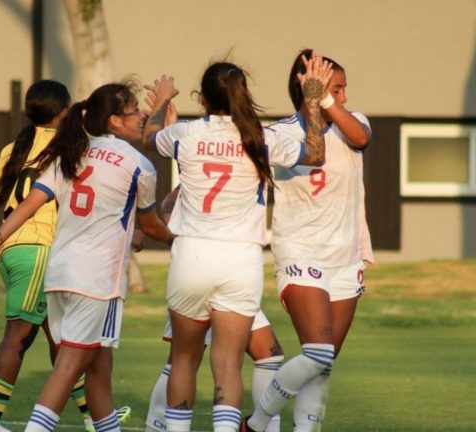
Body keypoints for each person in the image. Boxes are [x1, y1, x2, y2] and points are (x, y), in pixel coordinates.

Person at [0, 80, 175, 432]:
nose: (140, 116)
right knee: (68, 368)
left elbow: (27, 206)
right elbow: (153, 226)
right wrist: (184, 236)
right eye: (133, 111)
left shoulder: (71, 153)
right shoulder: (139, 165)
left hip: (59, 275)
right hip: (97, 282)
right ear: (113, 120)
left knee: (98, 366)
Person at [143, 57, 332, 432]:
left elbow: (148, 138)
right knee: (228, 364)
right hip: (240, 260)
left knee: (183, 359)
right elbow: (316, 153)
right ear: (244, 94)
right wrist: (312, 99)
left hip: (193, 255)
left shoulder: (185, 134)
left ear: (203, 98)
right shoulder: (260, 137)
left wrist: (163, 100)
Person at [244, 49, 373, 432]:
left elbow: (360, 136)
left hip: (346, 258)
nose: (344, 98)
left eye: (345, 90)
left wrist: (327, 100)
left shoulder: (353, 125)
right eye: (336, 88)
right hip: (300, 253)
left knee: (323, 363)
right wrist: (314, 100)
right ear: (307, 86)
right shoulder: (278, 134)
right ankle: (256, 423)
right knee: (316, 352)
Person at [144, 190, 285, 432]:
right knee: (185, 359)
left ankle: (258, 426)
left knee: (269, 353)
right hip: (209, 267)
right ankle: (156, 425)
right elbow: (171, 200)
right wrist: (177, 235)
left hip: (227, 272)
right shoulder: (238, 159)